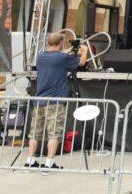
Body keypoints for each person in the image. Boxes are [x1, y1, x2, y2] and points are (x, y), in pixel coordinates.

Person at [25, 32, 88, 173]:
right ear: (60, 43)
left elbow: (58, 57)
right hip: (55, 101)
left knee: (34, 134)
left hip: (39, 101)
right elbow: (81, 63)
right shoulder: (62, 58)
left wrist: (68, 52)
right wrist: (84, 51)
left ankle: (29, 161)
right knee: (54, 134)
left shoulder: (41, 57)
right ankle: (48, 164)